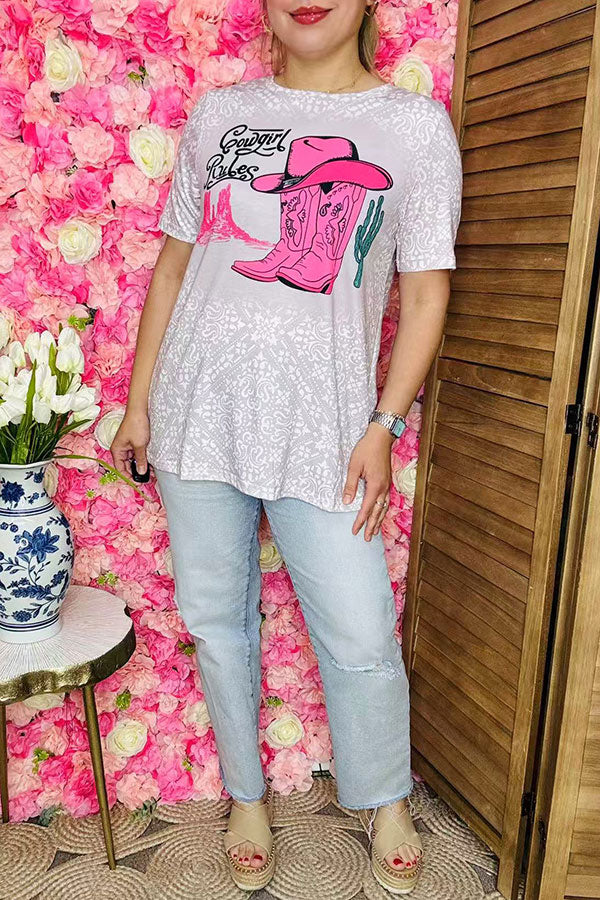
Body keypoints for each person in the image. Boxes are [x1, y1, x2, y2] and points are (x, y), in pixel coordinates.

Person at [111, 0, 462, 893]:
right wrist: (139, 403)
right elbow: (175, 267)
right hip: (197, 414)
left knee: (360, 628)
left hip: (330, 429)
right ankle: (245, 796)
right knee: (215, 619)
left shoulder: (414, 128)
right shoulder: (221, 115)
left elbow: (425, 295)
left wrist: (385, 424)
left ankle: (384, 798)